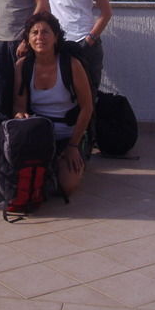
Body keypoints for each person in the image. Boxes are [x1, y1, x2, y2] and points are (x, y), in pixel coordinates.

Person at [13, 12, 93, 197]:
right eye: (34, 33)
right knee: (22, 179)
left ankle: (74, 157)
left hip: (68, 134)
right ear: (28, 39)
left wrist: (73, 145)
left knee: (67, 186)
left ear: (56, 37)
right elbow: (19, 106)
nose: (40, 37)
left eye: (45, 32)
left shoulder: (71, 65)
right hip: (38, 134)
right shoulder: (22, 66)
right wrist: (19, 116)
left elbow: (87, 107)